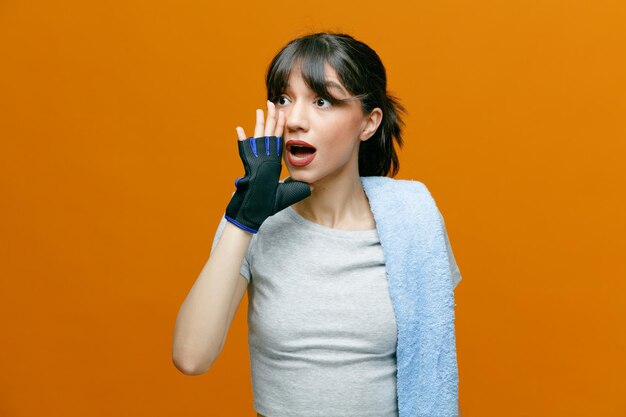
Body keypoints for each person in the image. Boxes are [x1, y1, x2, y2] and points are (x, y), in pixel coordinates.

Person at [172, 32, 462, 417]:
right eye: (283, 99)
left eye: (322, 100)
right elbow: (191, 357)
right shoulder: (253, 222)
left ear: (369, 122)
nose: (293, 119)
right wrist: (243, 222)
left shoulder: (413, 220)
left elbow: (433, 354)